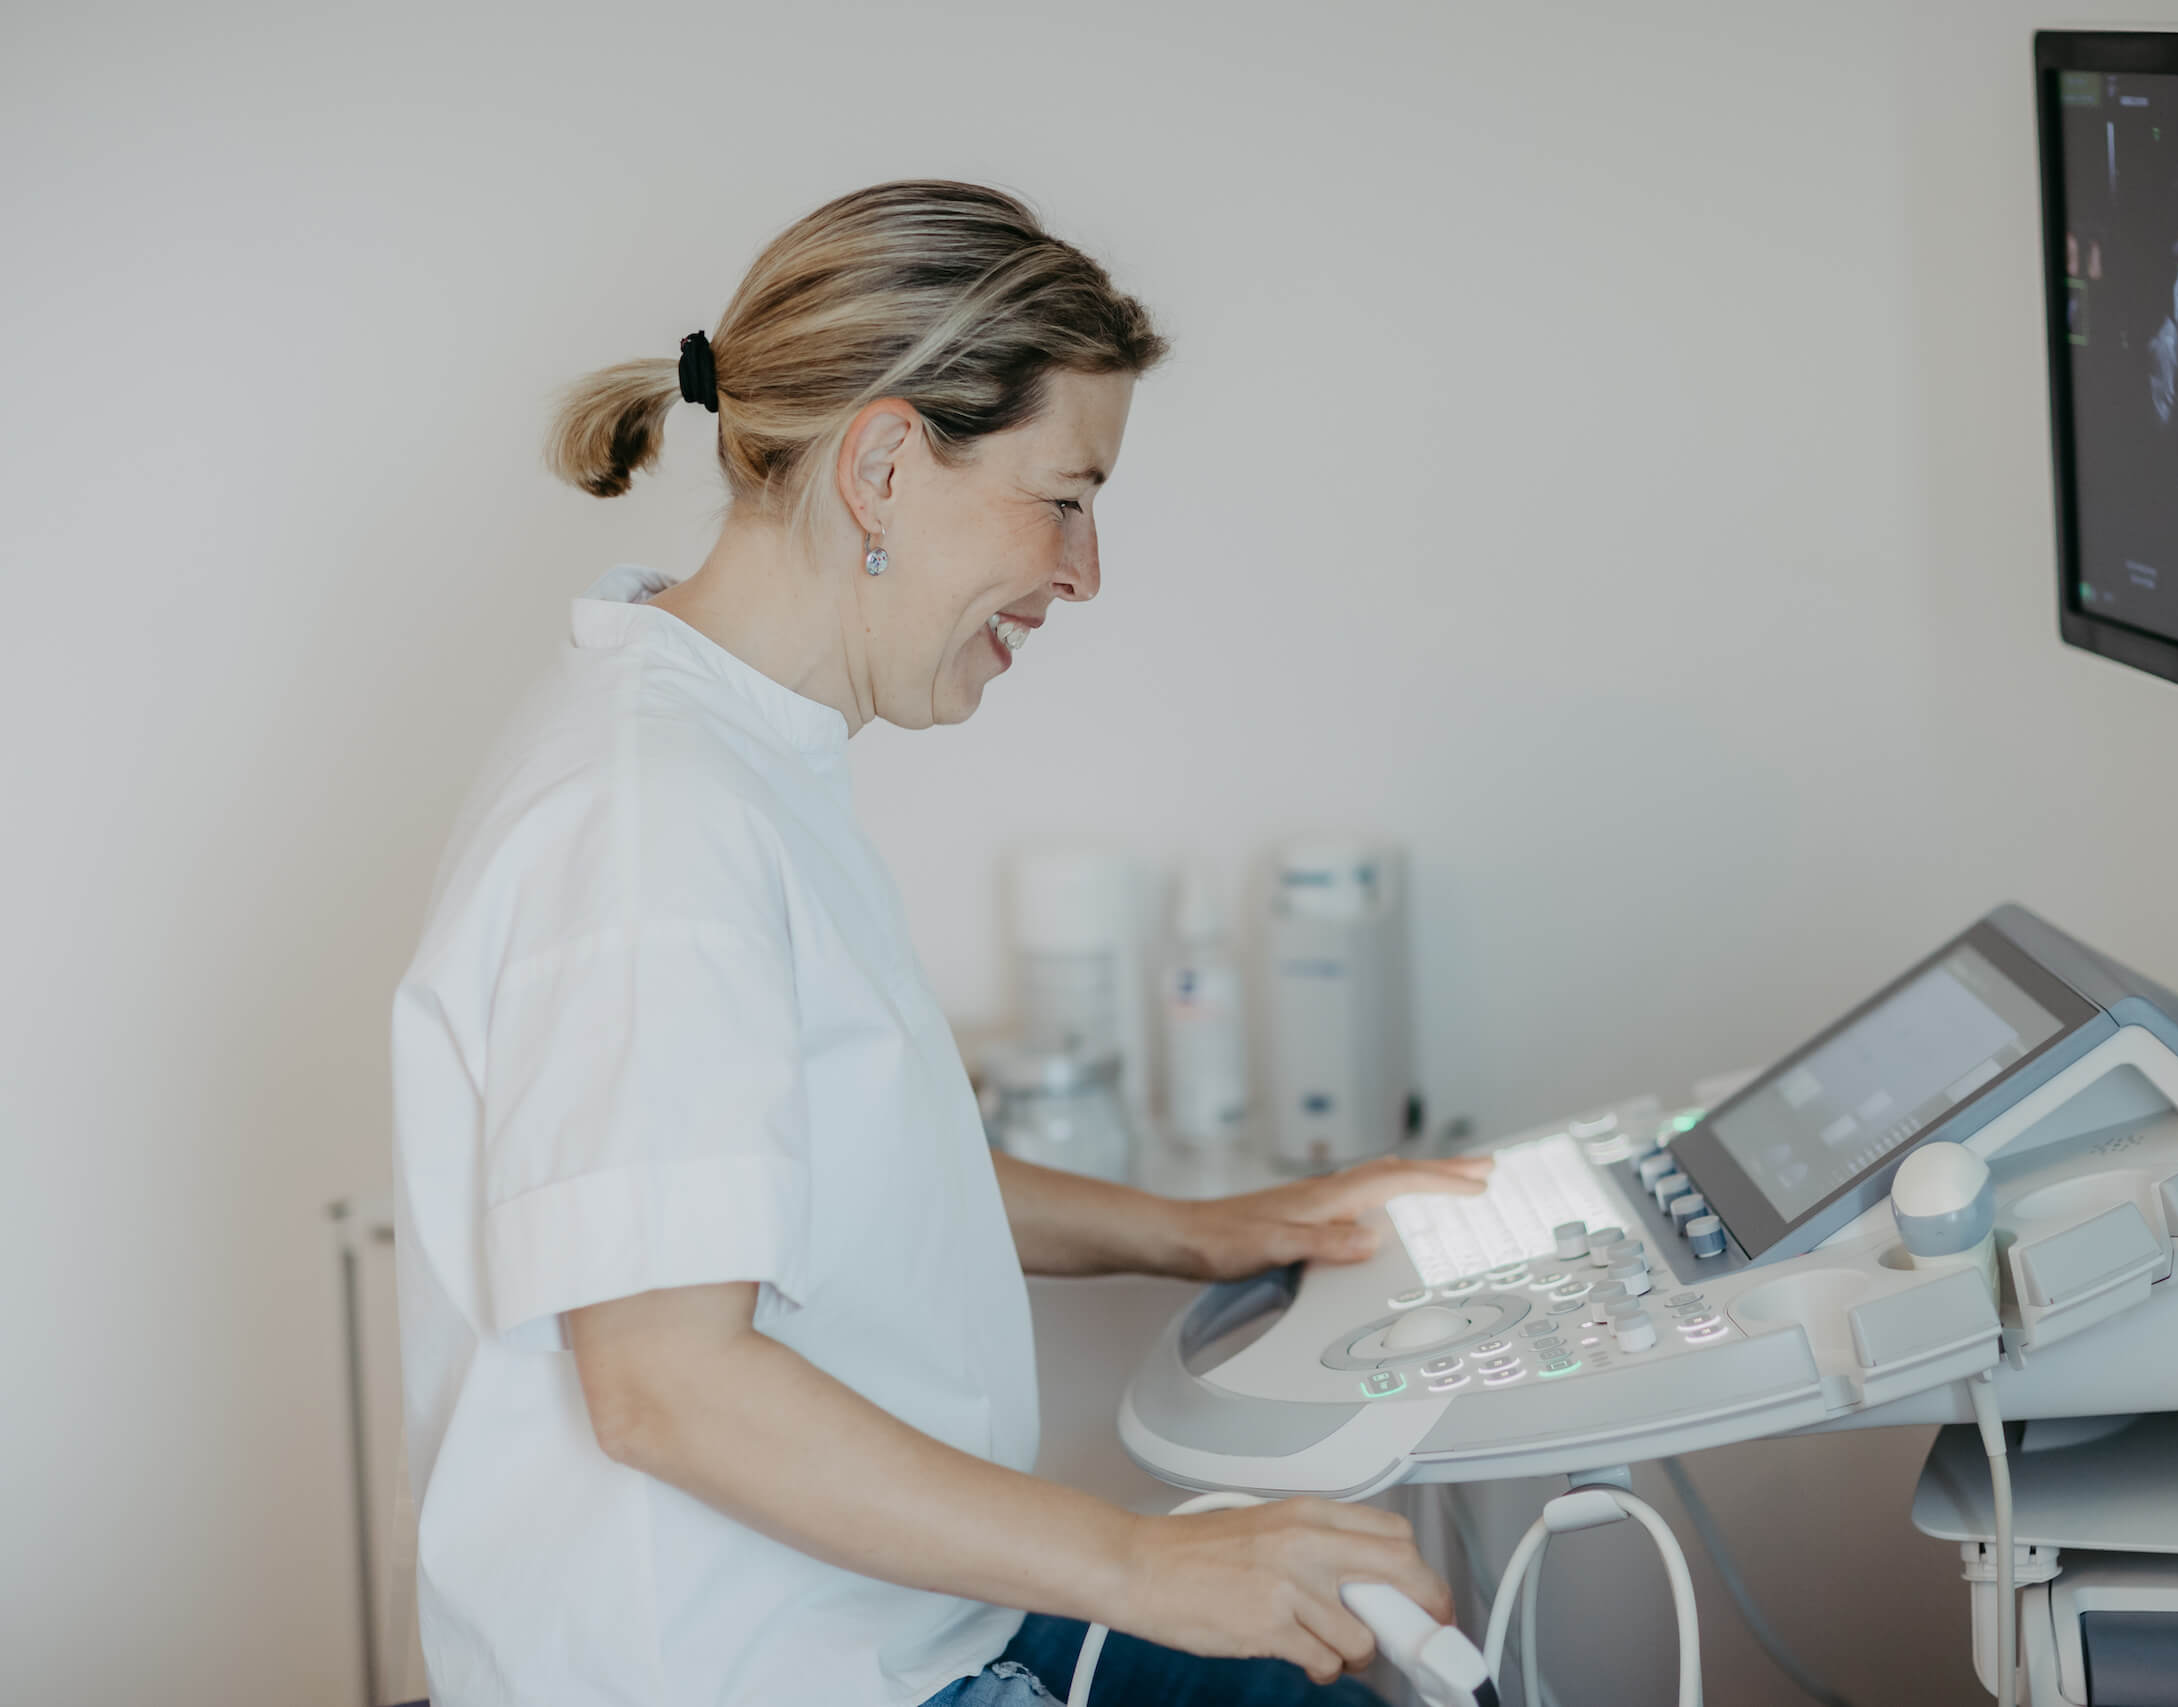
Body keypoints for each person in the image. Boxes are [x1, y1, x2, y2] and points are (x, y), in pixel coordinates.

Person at [390, 181, 1491, 1707]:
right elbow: (666, 1385)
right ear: (888, 464)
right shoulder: (653, 820)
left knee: (1337, 1660)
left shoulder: (735, 758)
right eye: (1065, 496)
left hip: (885, 1625)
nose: (1085, 572)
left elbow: (837, 1173)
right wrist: (1147, 1564)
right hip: (753, 1671)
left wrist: (1211, 1231)